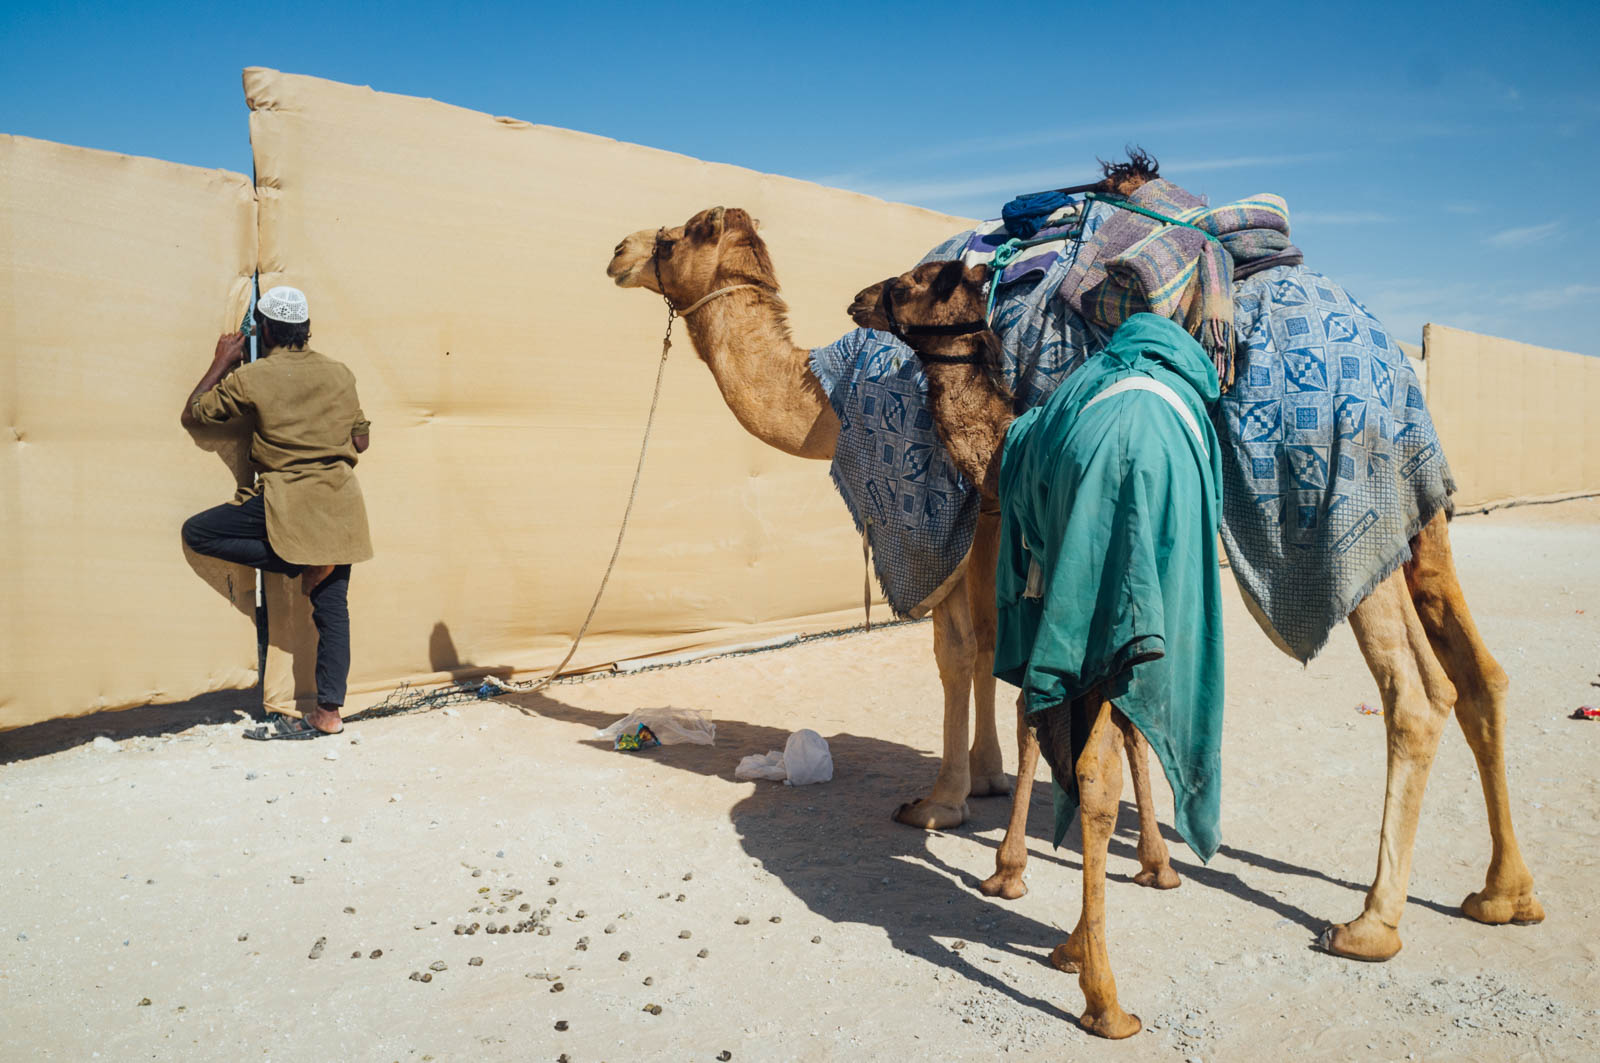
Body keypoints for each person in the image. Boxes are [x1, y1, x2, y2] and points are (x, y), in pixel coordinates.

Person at [180, 286, 373, 738]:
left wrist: (222, 361)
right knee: (333, 611)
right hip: (340, 505)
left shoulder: (255, 378)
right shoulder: (340, 373)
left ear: (265, 330)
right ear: (307, 329)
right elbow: (361, 441)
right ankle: (328, 713)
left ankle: (294, 557)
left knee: (199, 533)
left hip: (288, 502)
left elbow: (196, 413)